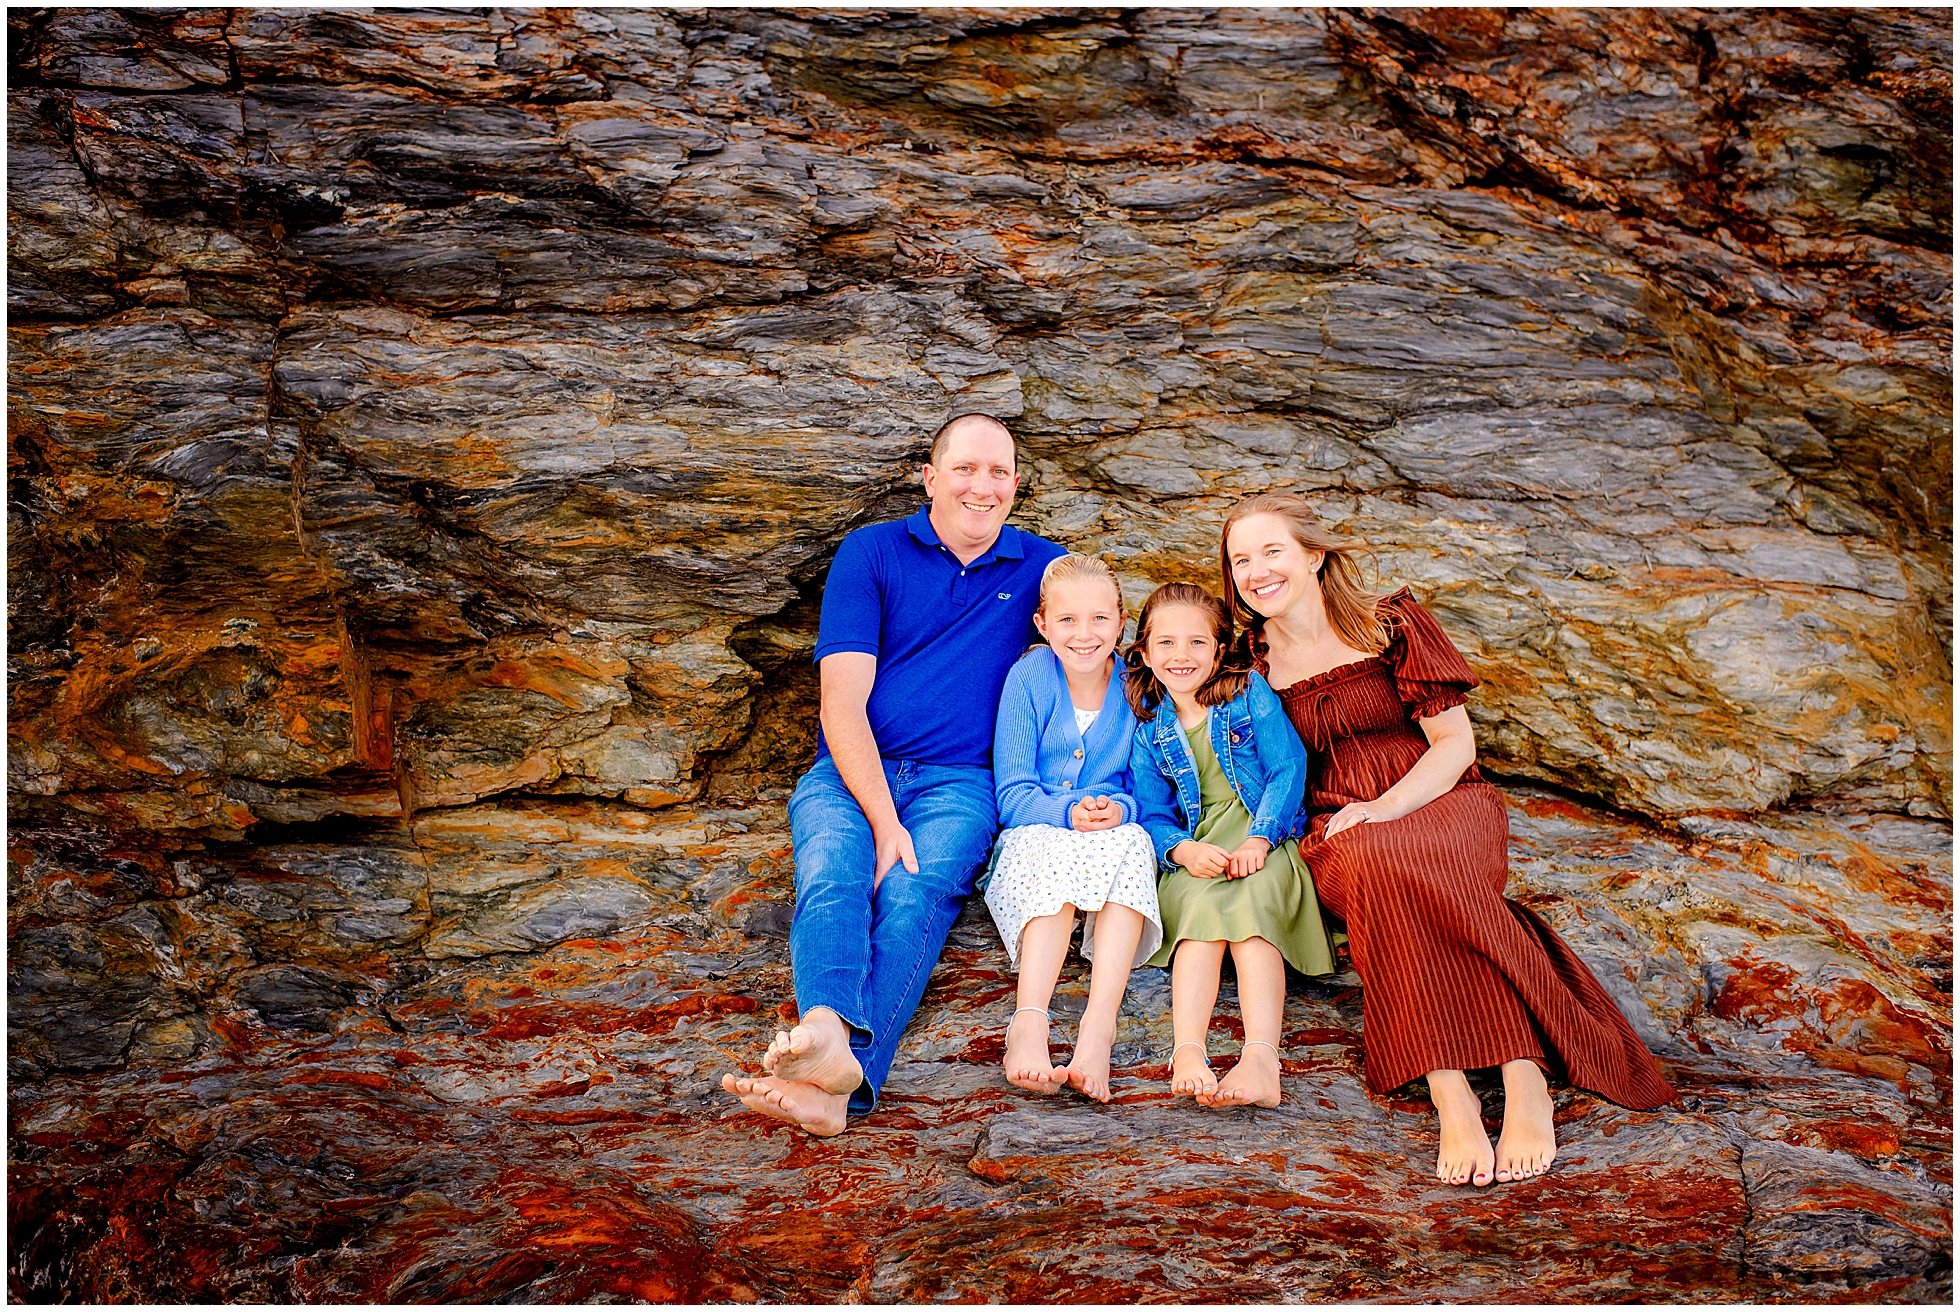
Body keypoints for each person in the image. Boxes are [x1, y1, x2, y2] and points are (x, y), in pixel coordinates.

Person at [1220, 491, 1675, 1185]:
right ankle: (1450, 1089)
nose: (1256, 572)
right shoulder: (1247, 663)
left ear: (1313, 557)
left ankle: (1523, 1077)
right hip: (1337, 822)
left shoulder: (1390, 624)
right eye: (1240, 560)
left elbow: (1455, 744)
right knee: (1377, 864)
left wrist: (1387, 805)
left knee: (1411, 858)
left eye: (1271, 551)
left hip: (1444, 796)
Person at [722, 413, 1065, 1136]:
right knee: (833, 872)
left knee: (914, 893)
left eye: (999, 471)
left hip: (962, 780)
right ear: (930, 478)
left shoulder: (1044, 568)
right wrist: (884, 820)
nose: (982, 486)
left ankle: (831, 1087)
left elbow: (1096, 653)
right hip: (850, 769)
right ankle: (827, 1032)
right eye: (965, 469)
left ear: (1016, 484)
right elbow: (840, 702)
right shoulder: (872, 551)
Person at [1127, 582, 1340, 1111]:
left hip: (1263, 835)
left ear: (1220, 650)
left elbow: (1287, 766)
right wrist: (1180, 851)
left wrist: (1261, 837)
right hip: (1201, 846)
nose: (1181, 655)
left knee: (1251, 915)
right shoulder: (1150, 727)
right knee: (1199, 921)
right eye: (1166, 643)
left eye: (1197, 642)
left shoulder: (1247, 693)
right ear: (1145, 653)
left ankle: (1261, 1058)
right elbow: (1152, 811)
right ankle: (1189, 1051)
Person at [984, 553, 1161, 1104]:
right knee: (1052, 850)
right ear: (1042, 624)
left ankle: (1097, 1029)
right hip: (1036, 828)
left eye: (1099, 619)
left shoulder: (1137, 685)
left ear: (1121, 621)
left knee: (1135, 843)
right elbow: (1013, 795)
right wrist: (1066, 813)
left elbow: (1147, 789)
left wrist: (1120, 811)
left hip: (1107, 833)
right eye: (1067, 620)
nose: (1084, 635)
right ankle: (1029, 1023)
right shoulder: (1029, 677)